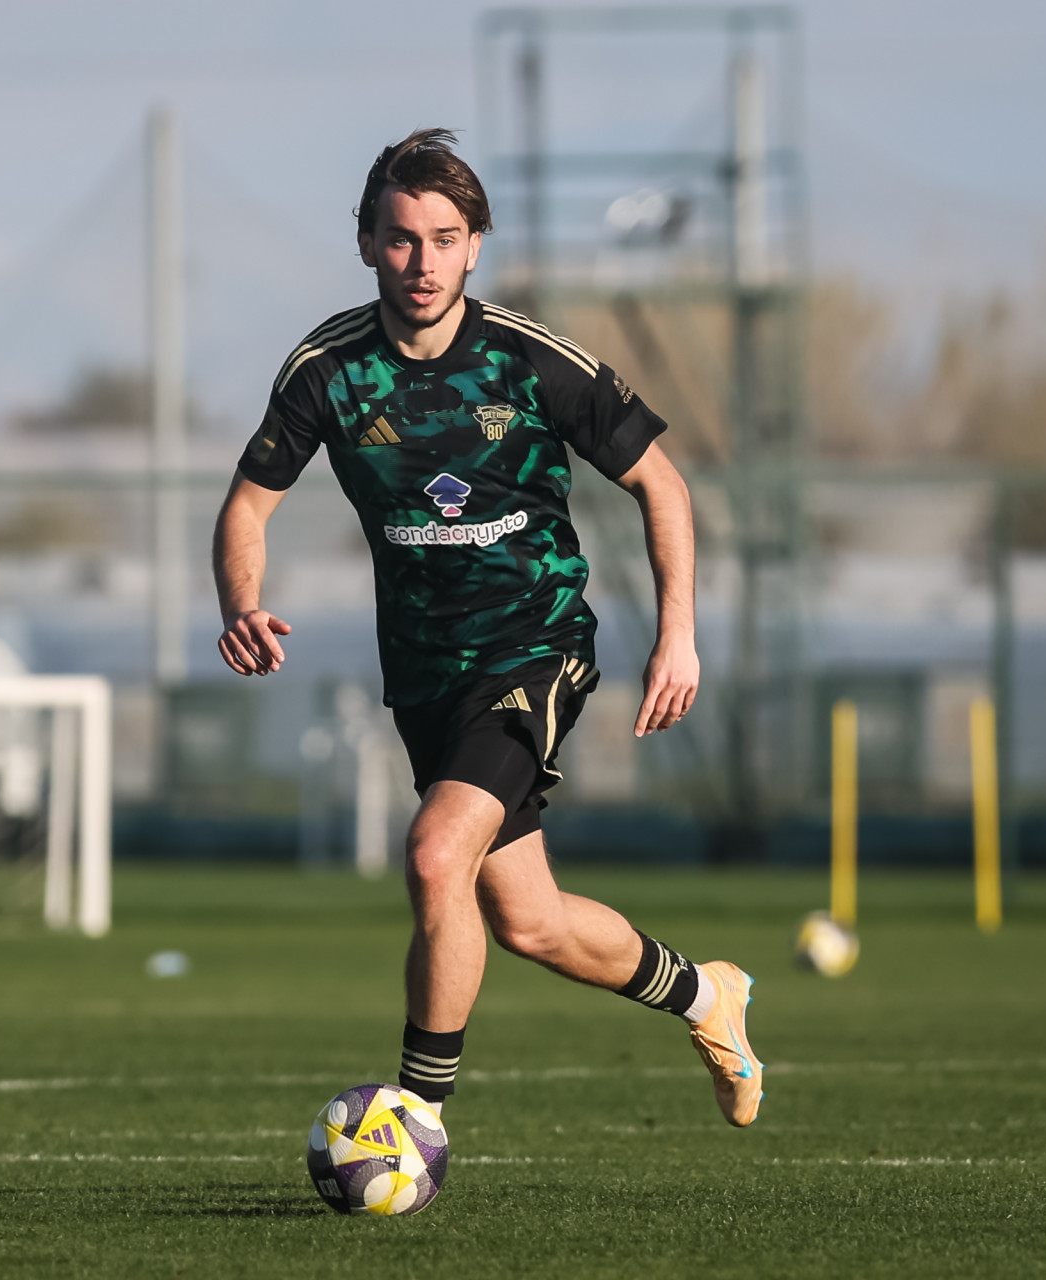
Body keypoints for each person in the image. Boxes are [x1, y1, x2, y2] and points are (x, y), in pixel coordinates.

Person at [211, 129, 761, 1126]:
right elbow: (247, 507)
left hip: (533, 644)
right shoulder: (328, 369)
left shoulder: (528, 357)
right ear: (367, 243)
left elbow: (662, 483)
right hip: (425, 672)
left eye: (444, 239)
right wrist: (240, 603)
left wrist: (676, 633)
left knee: (434, 854)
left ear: (475, 244)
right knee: (530, 921)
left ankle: (415, 1119)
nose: (422, 262)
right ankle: (704, 995)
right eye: (400, 238)